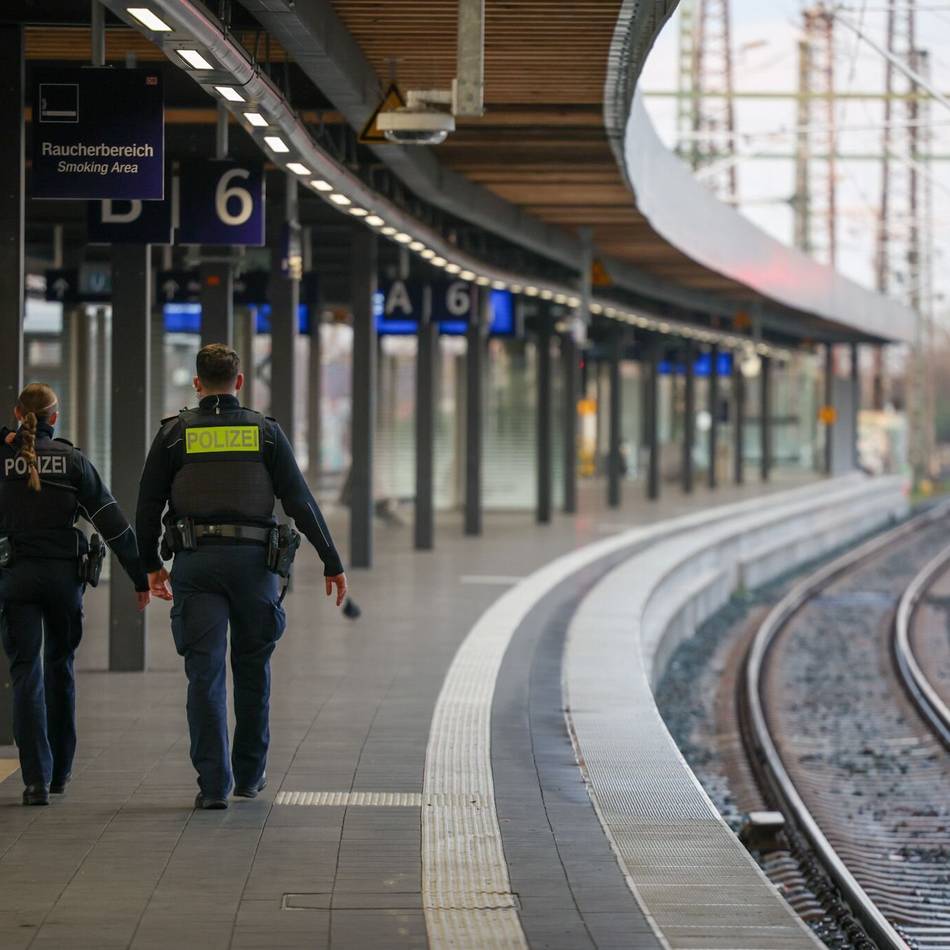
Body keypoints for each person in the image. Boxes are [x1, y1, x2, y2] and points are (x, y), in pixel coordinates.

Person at [136, 344, 347, 810]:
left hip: (197, 564)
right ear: (240, 381)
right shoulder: (265, 433)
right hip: (256, 568)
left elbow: (148, 505)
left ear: (196, 383)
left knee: (204, 676)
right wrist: (331, 560)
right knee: (252, 671)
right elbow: (300, 500)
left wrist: (148, 566)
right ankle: (250, 776)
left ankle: (213, 787)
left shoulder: (175, 435)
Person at [0, 383, 161, 806]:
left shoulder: (4, 461)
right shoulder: (74, 463)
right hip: (63, 581)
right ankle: (61, 773)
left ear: (19, 413)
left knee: (24, 673)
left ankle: (34, 779)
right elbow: (114, 524)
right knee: (59, 666)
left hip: (15, 578)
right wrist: (141, 577)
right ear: (57, 417)